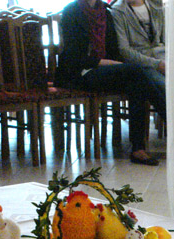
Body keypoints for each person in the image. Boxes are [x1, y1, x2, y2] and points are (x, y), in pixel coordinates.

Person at [57, 0, 166, 166]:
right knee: (136, 72)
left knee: (137, 83)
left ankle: (138, 148)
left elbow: (114, 50)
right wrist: (107, 63)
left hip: (103, 70)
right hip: (78, 74)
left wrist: (114, 63)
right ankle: (170, 121)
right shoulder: (71, 11)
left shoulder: (105, 12)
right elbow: (74, 57)